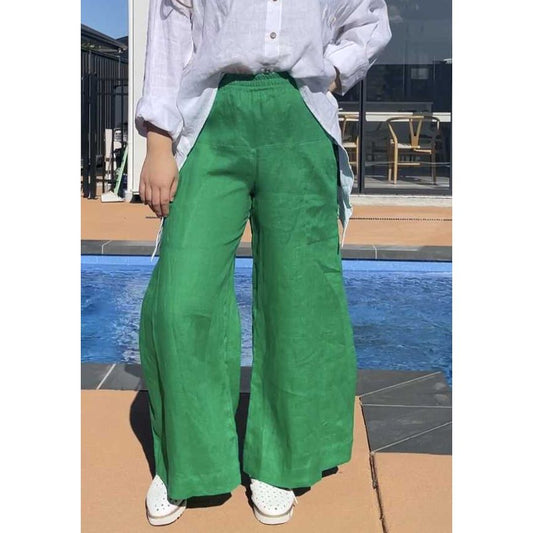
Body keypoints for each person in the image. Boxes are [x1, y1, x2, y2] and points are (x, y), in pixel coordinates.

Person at [135, 0, 391, 526]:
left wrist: (333, 70)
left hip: (299, 116)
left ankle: (281, 458)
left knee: (298, 297)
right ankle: (187, 459)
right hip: (210, 118)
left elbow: (368, 19)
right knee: (181, 296)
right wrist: (159, 143)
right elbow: (169, 34)